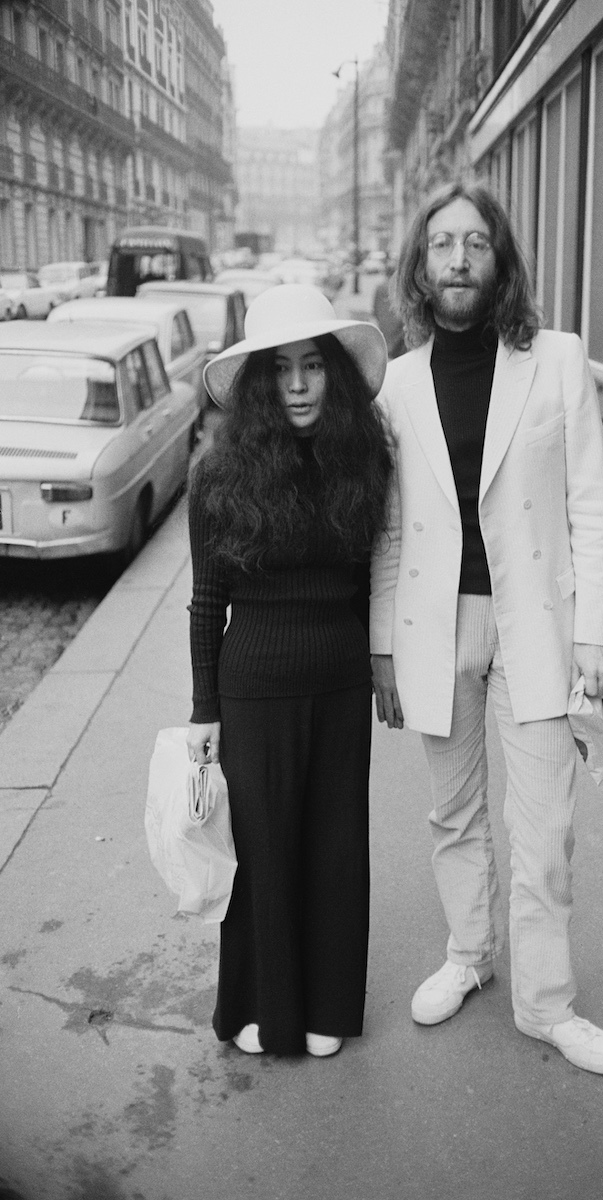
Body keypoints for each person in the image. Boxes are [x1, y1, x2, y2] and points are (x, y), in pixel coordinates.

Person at [370, 183, 603, 1075]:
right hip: (436, 628)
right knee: (454, 812)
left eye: (477, 242)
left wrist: (596, 635)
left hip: (539, 628)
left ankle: (547, 1005)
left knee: (545, 822)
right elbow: (393, 529)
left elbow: (590, 504)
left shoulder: (556, 359)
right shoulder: (398, 384)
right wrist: (382, 647)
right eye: (442, 244)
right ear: (420, 266)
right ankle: (470, 956)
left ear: (501, 260)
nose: (459, 259)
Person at [187, 284, 392, 1059]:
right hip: (253, 690)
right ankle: (257, 1006)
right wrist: (206, 711)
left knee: (333, 850)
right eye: (282, 370)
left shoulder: (363, 460)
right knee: (261, 851)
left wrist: (382, 666)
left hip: (340, 683)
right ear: (261, 386)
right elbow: (207, 601)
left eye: (313, 366)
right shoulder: (217, 477)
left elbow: (375, 577)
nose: (300, 384)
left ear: (332, 375)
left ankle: (328, 1007)